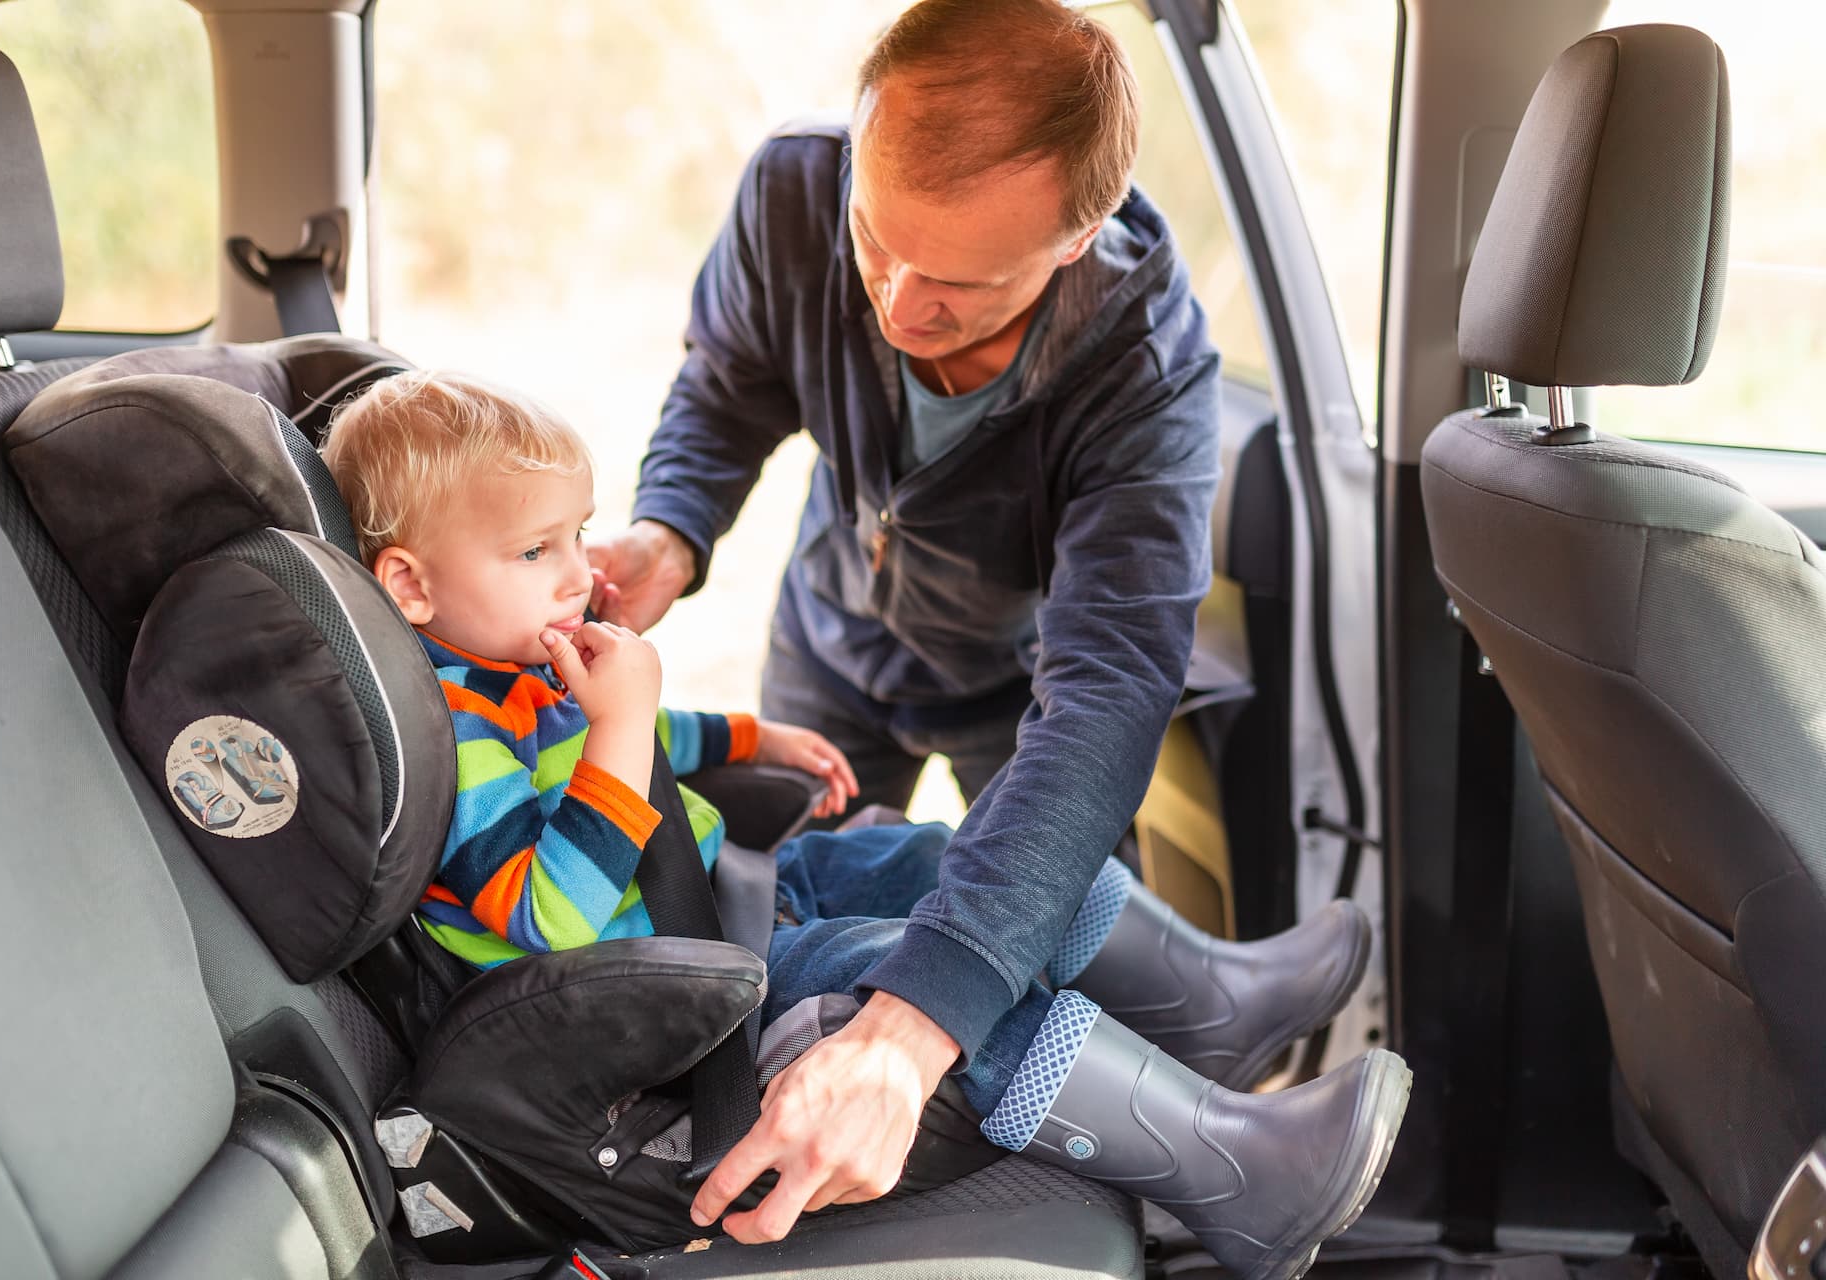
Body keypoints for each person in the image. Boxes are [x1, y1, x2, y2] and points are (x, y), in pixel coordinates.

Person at [586, 0, 1383, 1250]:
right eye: (879, 243)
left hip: (1023, 698)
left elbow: (1108, 694)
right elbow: (729, 384)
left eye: (960, 282)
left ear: (1076, 240)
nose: (901, 303)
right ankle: (1206, 1011)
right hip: (834, 638)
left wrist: (911, 1031)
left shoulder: (1147, 366)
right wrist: (668, 534)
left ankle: (1200, 1080)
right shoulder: (799, 192)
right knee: (824, 901)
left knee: (1019, 919)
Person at [322, 368, 1411, 1279]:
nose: (578, 573)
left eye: (579, 534)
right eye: (534, 553)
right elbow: (552, 917)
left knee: (941, 854)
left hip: (722, 893)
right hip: (668, 993)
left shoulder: (512, 659)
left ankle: (1208, 999)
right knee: (917, 971)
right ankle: (1236, 1175)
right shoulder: (451, 742)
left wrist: (752, 739)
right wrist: (623, 724)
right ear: (411, 584)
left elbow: (637, 720)